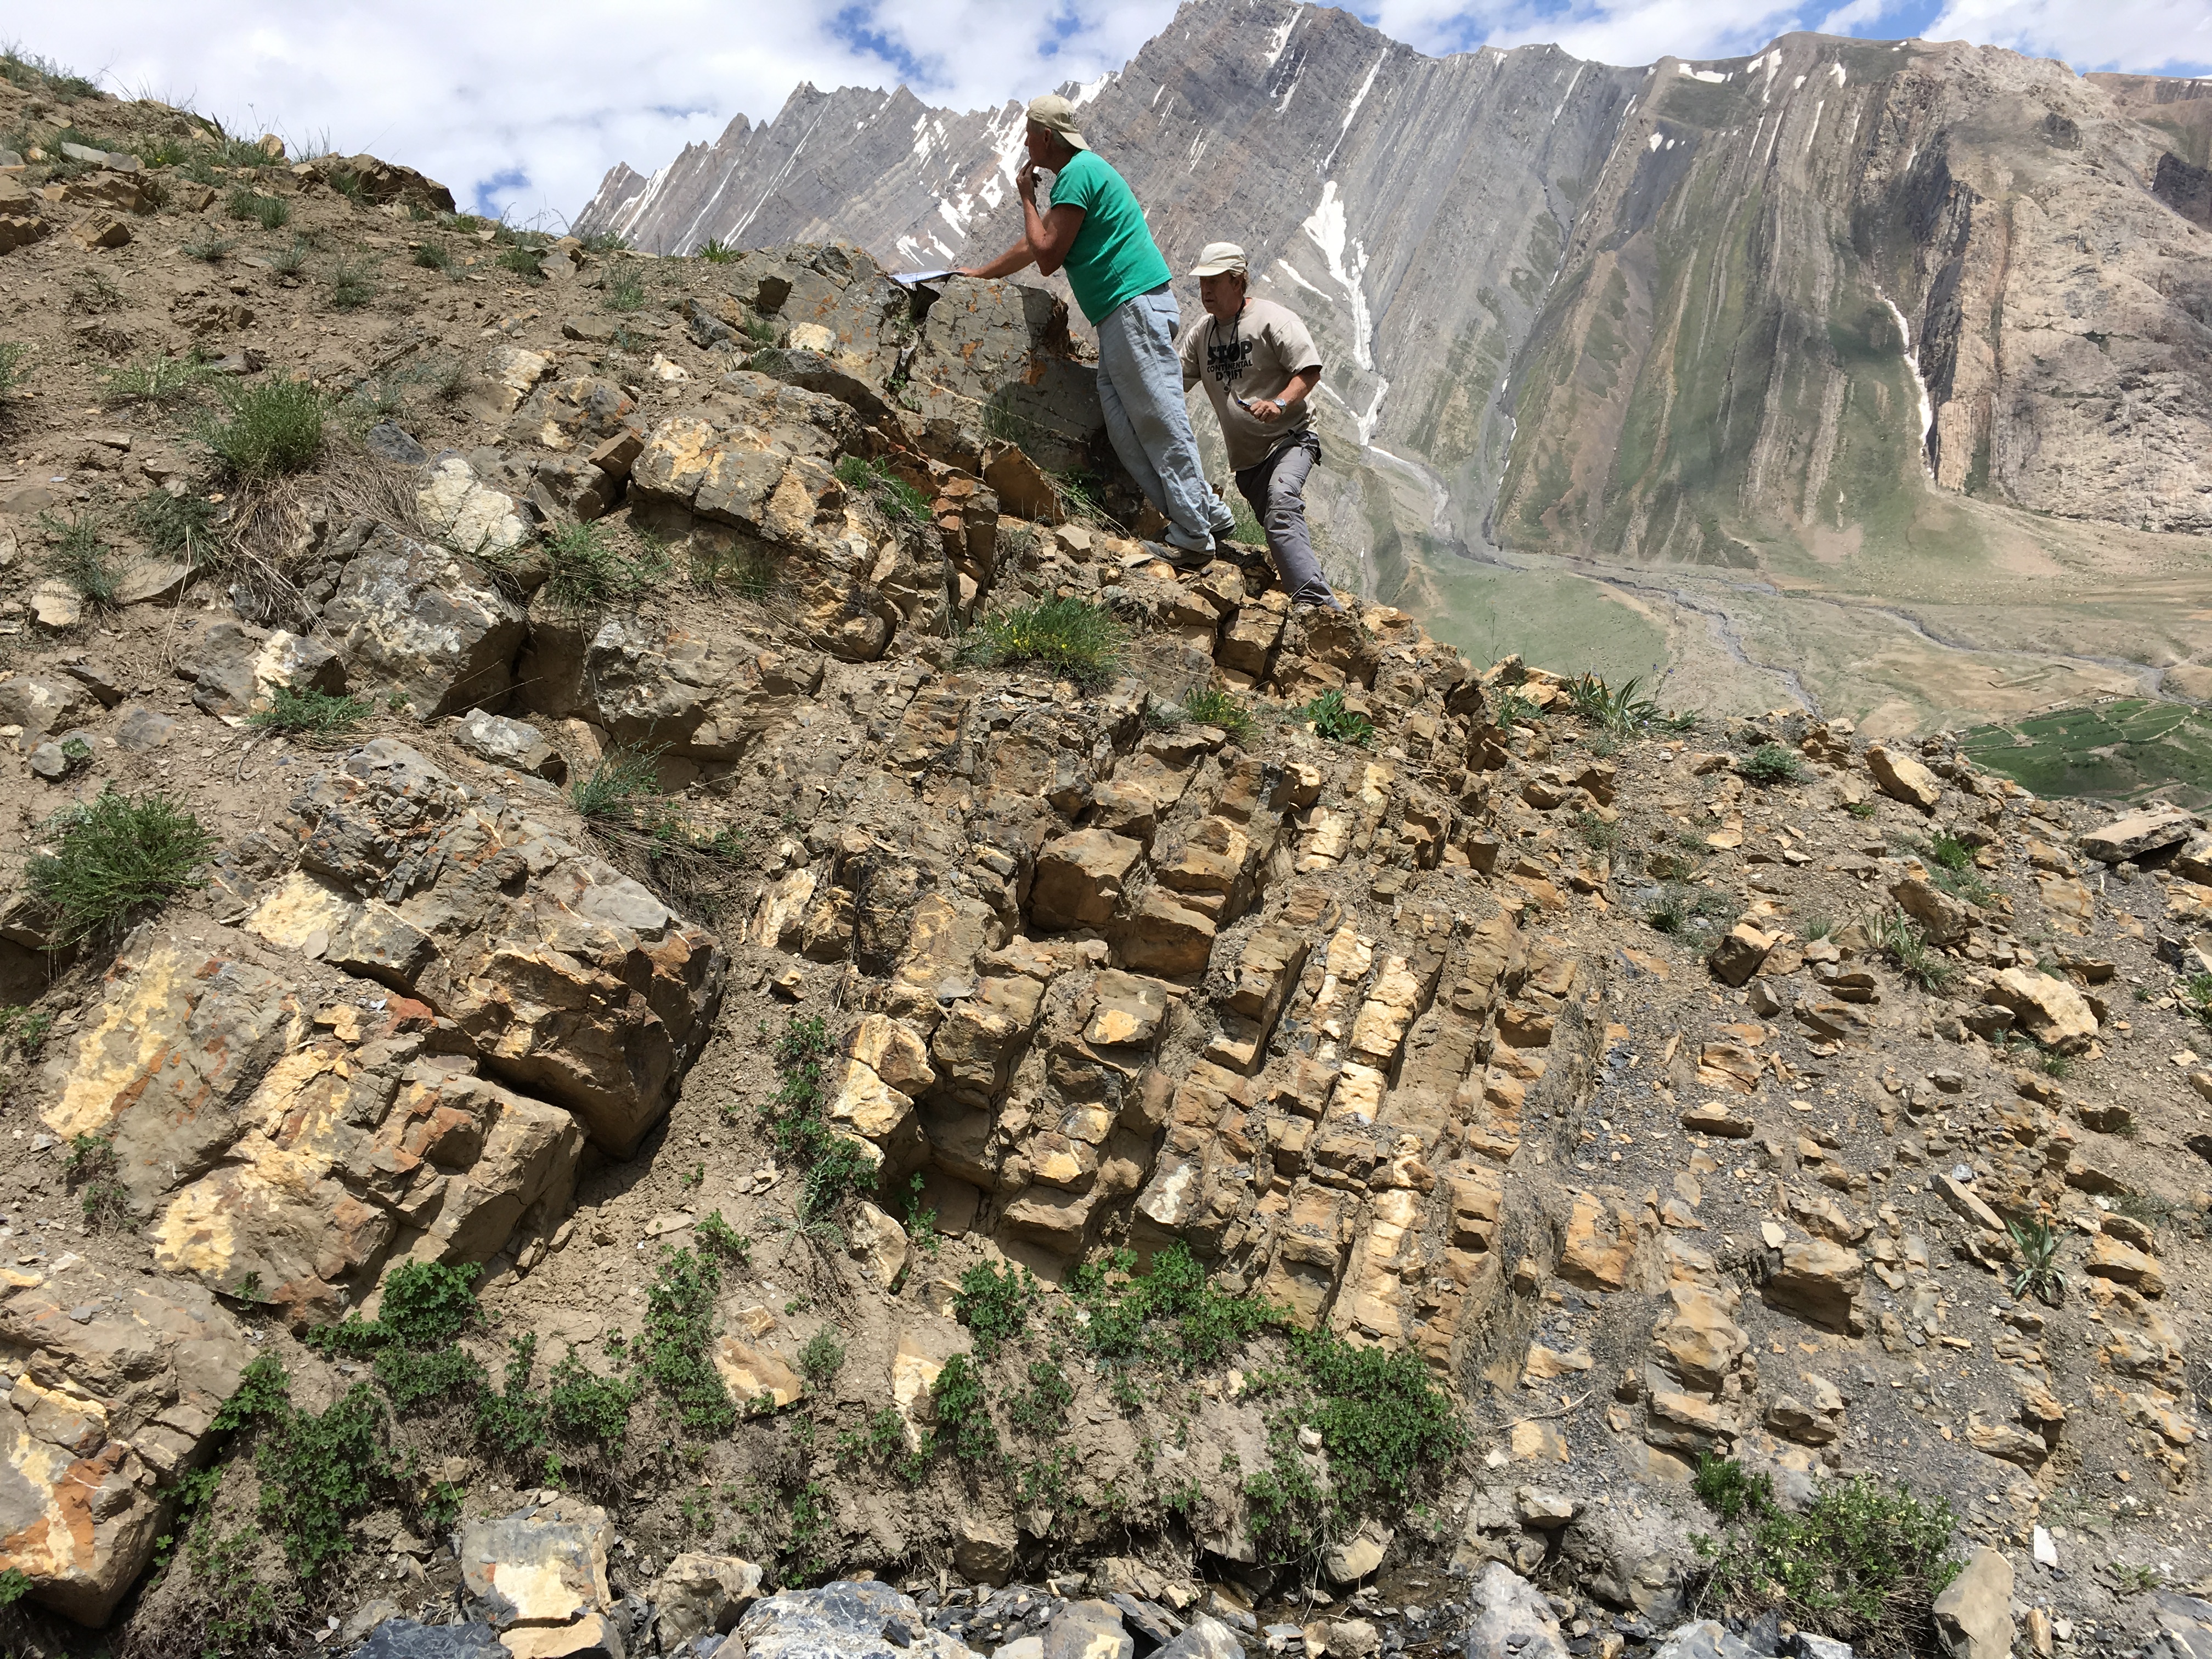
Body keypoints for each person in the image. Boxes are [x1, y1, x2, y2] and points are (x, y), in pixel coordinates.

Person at [959, 94, 1233, 562]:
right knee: (1126, 423)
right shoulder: (1080, 178)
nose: (1025, 143)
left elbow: (1046, 256)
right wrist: (980, 276)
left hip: (1133, 307)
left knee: (1158, 417)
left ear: (1046, 137)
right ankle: (1204, 513)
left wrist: (1025, 195)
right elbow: (1035, 245)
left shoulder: (1079, 175)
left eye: (1028, 134)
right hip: (1124, 314)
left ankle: (1192, 533)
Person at [1178, 242, 1341, 610]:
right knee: (1276, 526)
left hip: (1291, 439)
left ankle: (1318, 609)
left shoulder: (1272, 320)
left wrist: (1280, 402)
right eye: (1202, 283)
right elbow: (1176, 381)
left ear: (1238, 282)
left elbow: (1310, 369)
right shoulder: (1201, 335)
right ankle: (1310, 594)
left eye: (1214, 282)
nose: (1205, 291)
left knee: (1282, 504)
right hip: (1248, 463)